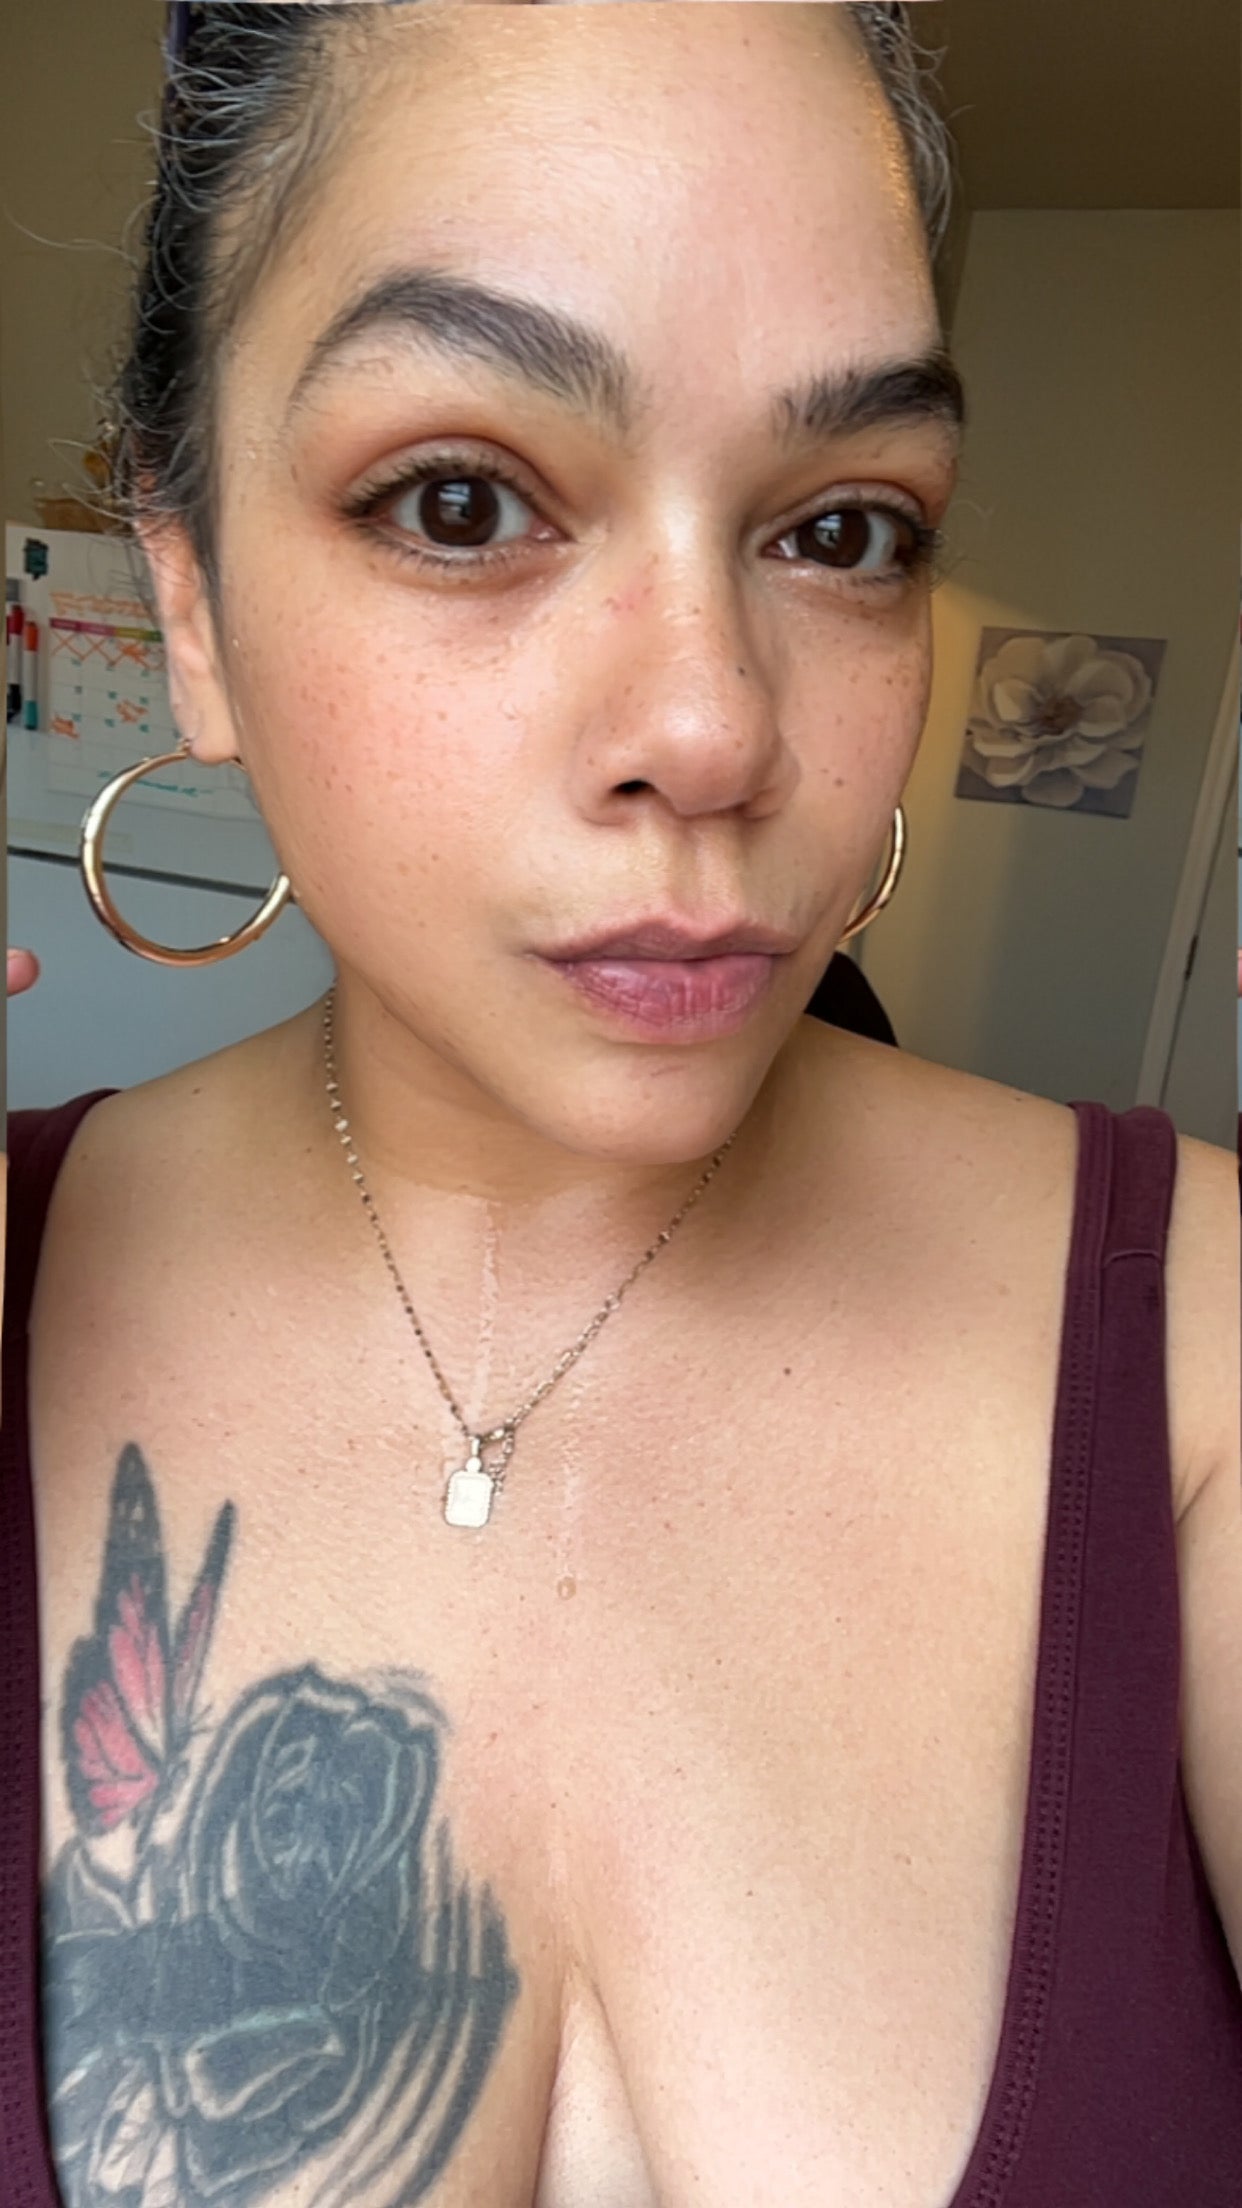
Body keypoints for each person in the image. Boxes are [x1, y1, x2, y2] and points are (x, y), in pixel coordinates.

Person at [2, 7, 1240, 2206]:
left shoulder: (1204, 1350)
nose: (713, 724)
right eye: (462, 502)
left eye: (842, 528)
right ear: (186, 596)